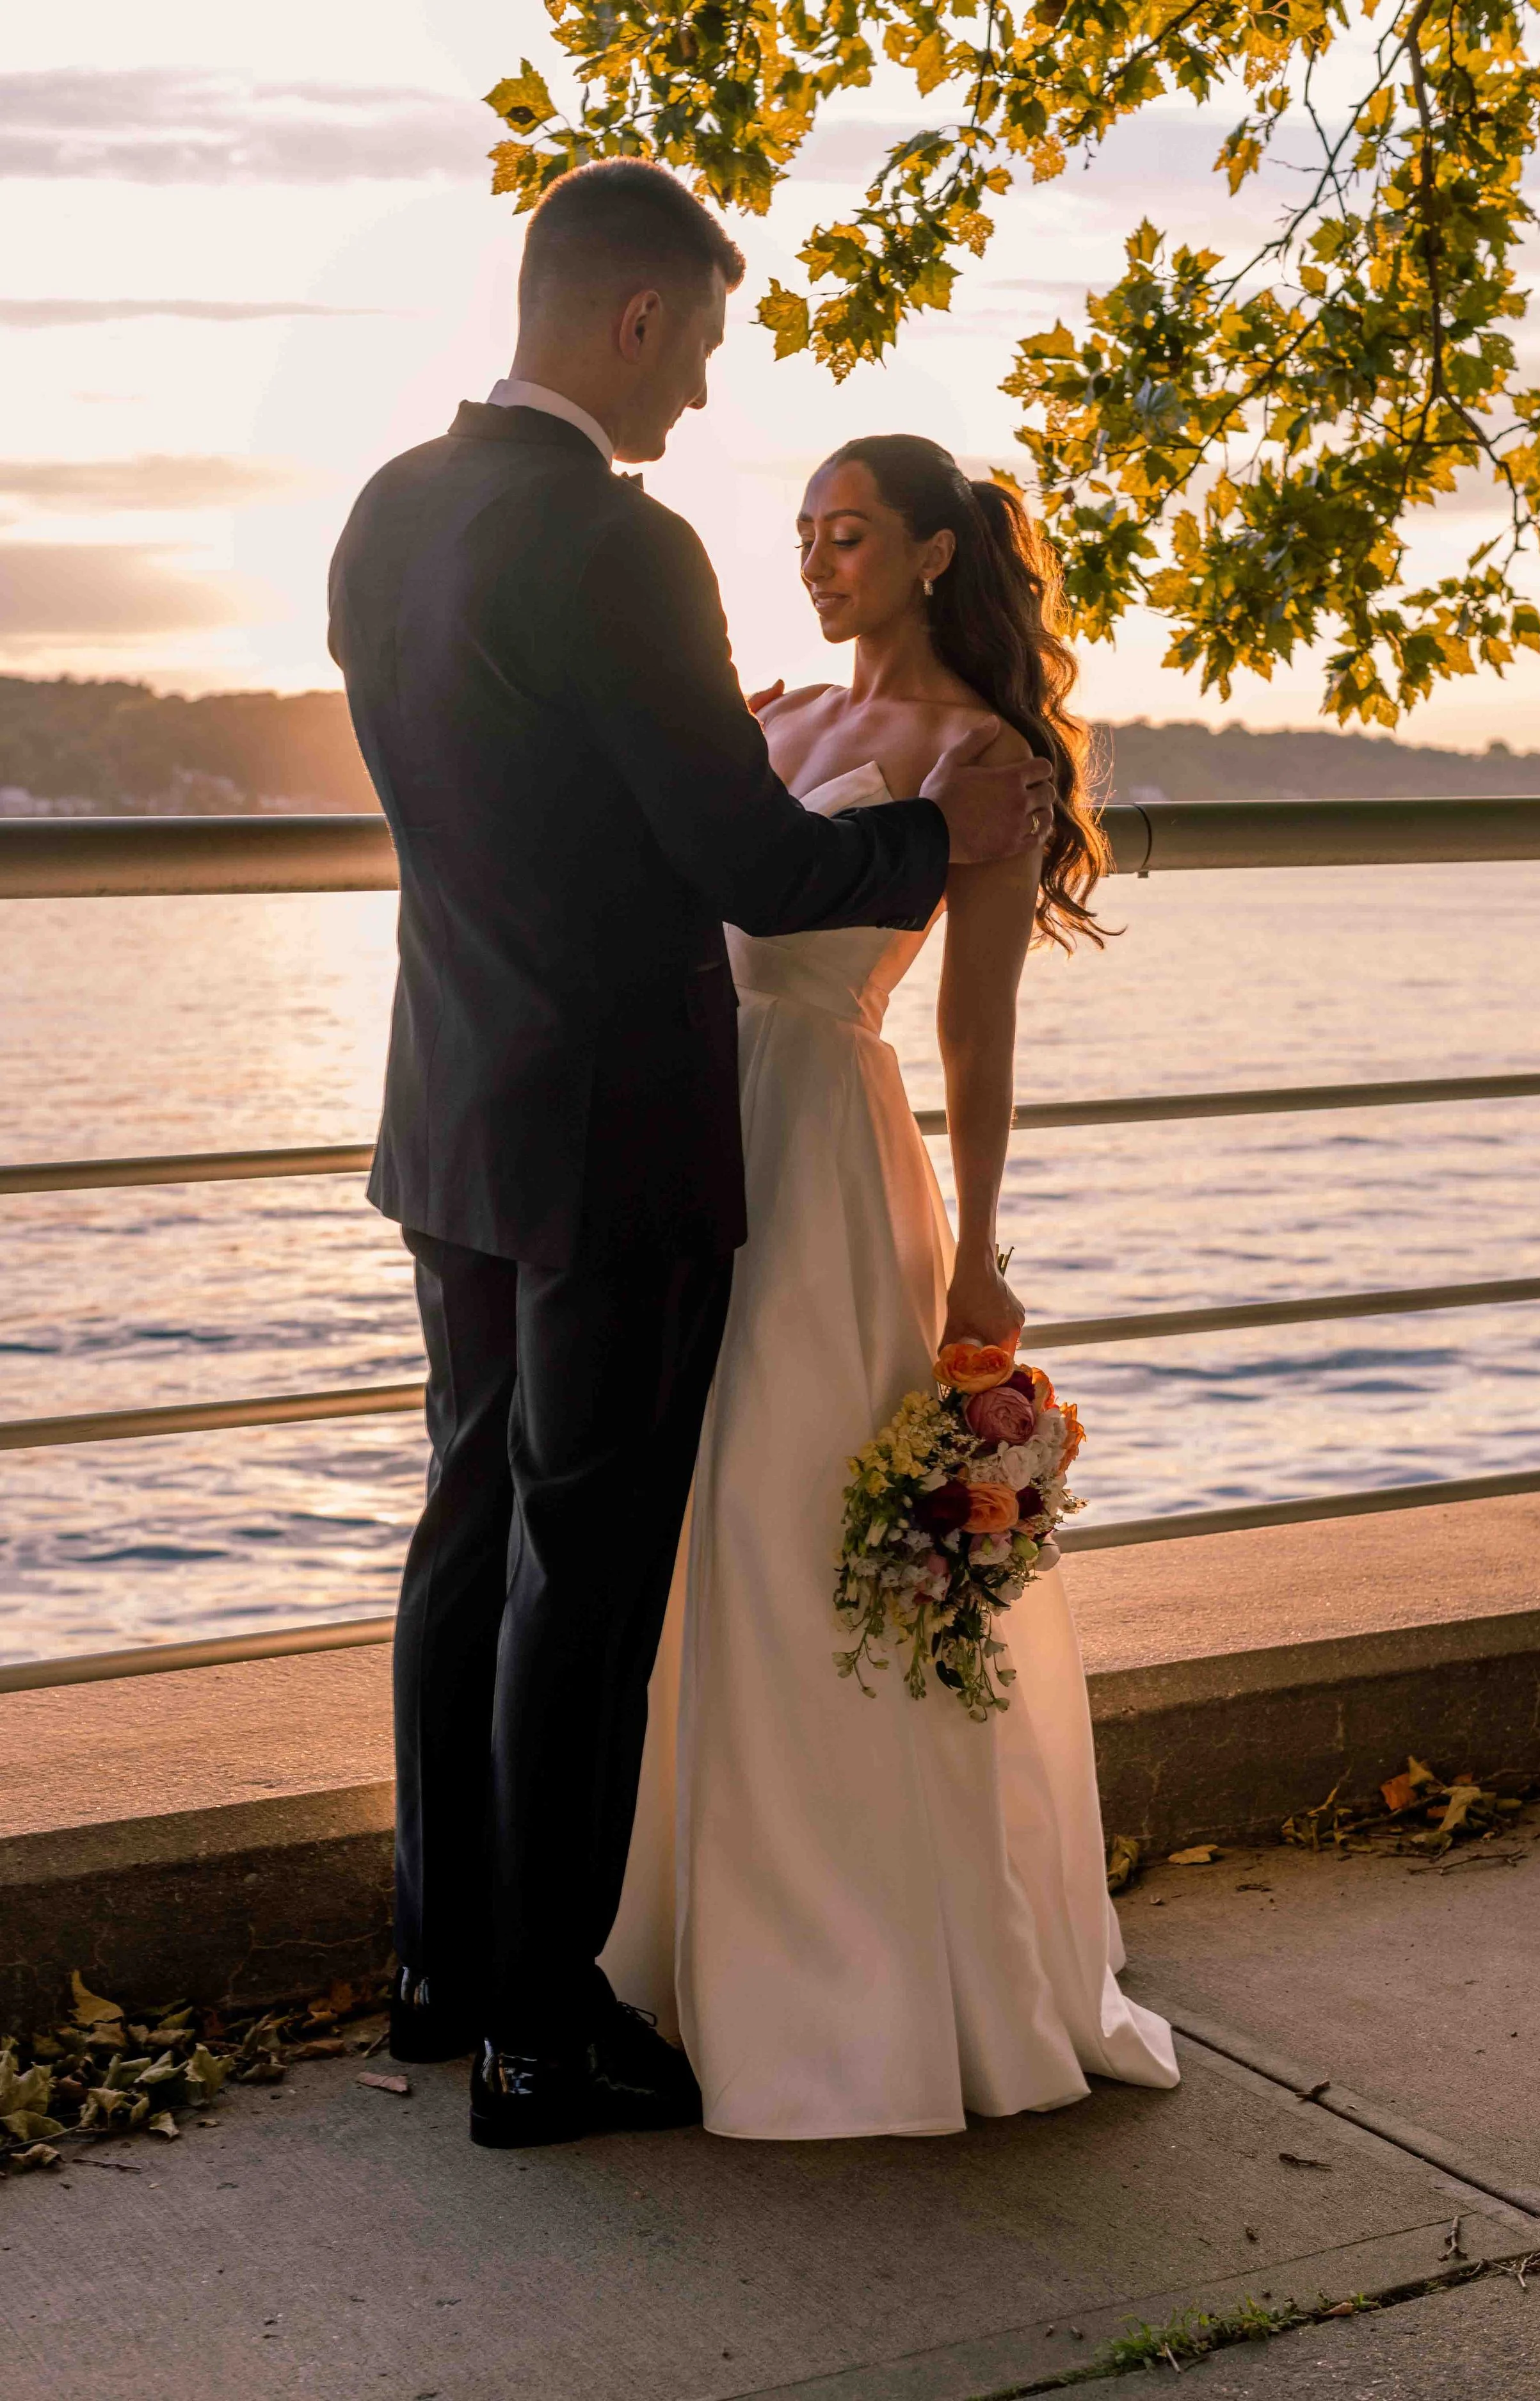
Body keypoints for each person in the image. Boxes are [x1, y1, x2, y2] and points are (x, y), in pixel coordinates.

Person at [326, 161, 1055, 2149]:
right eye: (709, 340)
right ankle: (542, 2034)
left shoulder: (387, 510)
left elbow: (483, 810)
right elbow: (744, 856)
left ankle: (436, 1966)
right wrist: (928, 840)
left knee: (465, 1520)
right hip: (620, 1128)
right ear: (636, 316)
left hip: (451, 1101)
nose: (707, 395)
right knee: (586, 1561)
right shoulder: (619, 548)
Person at [604, 435, 1178, 2135]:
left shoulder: (976, 756)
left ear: (935, 552)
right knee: (698, 1530)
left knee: (809, 1542)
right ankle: (686, 1941)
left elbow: (971, 1026)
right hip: (691, 1146)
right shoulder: (768, 722)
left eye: (846, 533)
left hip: (831, 1163)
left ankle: (856, 1963)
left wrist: (982, 1250)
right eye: (800, 532)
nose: (814, 559)